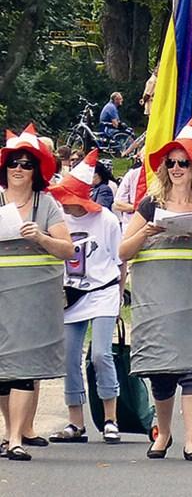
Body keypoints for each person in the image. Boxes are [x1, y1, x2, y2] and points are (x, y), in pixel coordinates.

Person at [119, 138, 192, 461]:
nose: (177, 168)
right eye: (171, 163)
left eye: (184, 162)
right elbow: (123, 251)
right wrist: (146, 233)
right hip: (157, 302)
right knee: (162, 370)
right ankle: (164, 433)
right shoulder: (149, 205)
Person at [0, 128, 73, 462]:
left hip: (34, 296)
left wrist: (42, 237)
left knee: (24, 365)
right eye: (13, 162)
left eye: (26, 164)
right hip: (3, 294)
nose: (19, 168)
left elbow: (67, 249)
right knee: (4, 368)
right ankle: (10, 431)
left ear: (36, 171)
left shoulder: (47, 204)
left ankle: (16, 437)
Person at [47, 160, 125, 444]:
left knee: (101, 355)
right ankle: (75, 421)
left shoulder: (105, 220)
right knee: (69, 356)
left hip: (103, 290)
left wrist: (118, 296)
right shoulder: (59, 219)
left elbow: (120, 259)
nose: (65, 205)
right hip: (71, 294)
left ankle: (110, 418)